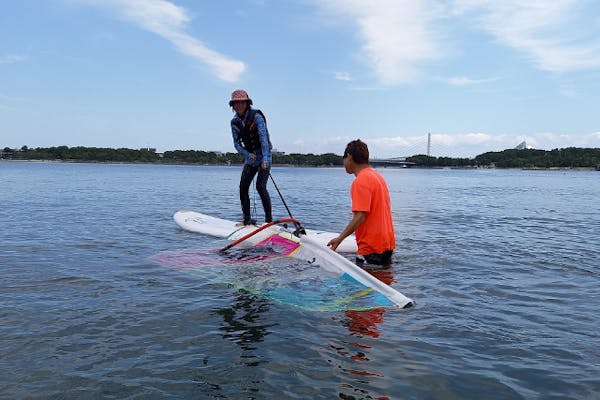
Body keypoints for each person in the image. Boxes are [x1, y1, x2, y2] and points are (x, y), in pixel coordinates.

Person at [327, 139, 395, 265]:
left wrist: (339, 239)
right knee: (381, 282)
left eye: (344, 159)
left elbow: (360, 216)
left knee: (365, 283)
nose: (344, 163)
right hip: (387, 244)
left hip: (371, 247)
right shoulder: (378, 177)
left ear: (349, 157)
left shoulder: (361, 181)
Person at [229, 89, 273, 225]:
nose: (239, 105)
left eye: (242, 102)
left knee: (260, 186)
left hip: (264, 155)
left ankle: (268, 221)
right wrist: (247, 155)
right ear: (233, 105)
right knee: (243, 187)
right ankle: (247, 219)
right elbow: (236, 144)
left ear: (247, 103)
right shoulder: (234, 122)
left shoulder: (256, 116)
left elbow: (263, 137)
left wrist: (265, 159)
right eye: (236, 103)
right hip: (251, 158)